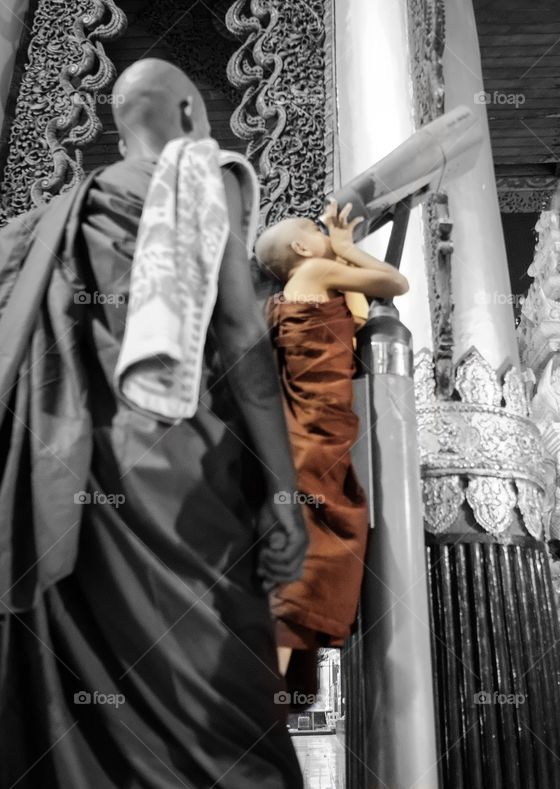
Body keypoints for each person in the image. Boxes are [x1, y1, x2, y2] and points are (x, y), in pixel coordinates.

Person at [0, 59, 306, 787]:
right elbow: (238, 335)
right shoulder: (205, 173)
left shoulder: (52, 219)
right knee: (219, 697)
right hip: (182, 480)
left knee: (81, 696)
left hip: (70, 477)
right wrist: (286, 490)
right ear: (193, 116)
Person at [254, 201, 408, 682]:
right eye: (314, 231)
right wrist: (345, 246)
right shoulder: (319, 270)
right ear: (304, 247)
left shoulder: (285, 297)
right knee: (319, 547)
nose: (324, 233)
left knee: (315, 544)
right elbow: (394, 283)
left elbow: (352, 322)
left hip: (305, 427)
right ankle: (268, 688)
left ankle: (274, 679)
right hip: (320, 429)